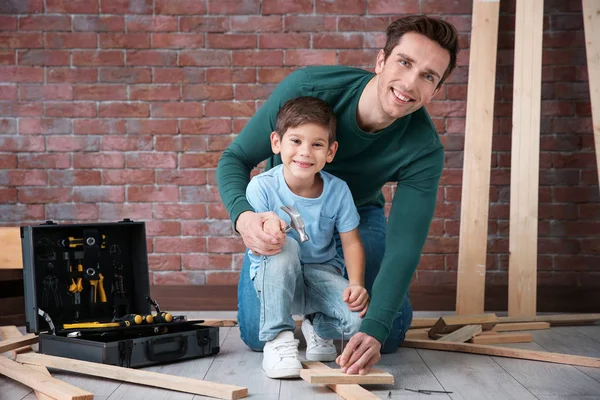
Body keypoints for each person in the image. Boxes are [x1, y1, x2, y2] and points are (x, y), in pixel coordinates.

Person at [216, 14, 459, 375]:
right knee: (254, 335)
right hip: (286, 213)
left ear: (436, 90)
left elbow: (405, 244)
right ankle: (297, 302)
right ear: (381, 60)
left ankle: (322, 315)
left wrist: (374, 327)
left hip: (356, 215)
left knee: (386, 334)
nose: (410, 83)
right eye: (404, 63)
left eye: (428, 76)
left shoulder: (424, 148)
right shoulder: (309, 87)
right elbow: (234, 159)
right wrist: (244, 217)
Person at [245, 96, 369, 378]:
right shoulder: (261, 187)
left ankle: (316, 325)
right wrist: (269, 226)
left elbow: (350, 242)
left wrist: (357, 284)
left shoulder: (338, 191)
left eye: (317, 144)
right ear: (277, 143)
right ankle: (277, 339)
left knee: (357, 320)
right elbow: (259, 237)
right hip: (275, 274)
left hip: (320, 272)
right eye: (296, 141)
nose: (305, 152)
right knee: (284, 246)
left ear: (331, 151)